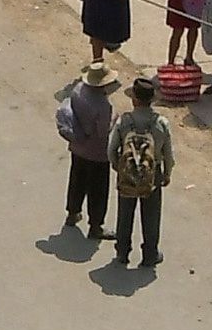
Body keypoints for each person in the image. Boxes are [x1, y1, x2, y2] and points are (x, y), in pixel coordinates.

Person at [108, 74, 175, 266]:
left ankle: (122, 252)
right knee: (151, 215)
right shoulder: (161, 123)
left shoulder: (124, 121)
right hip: (152, 173)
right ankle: (150, 254)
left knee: (125, 213)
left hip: (127, 173)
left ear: (134, 99)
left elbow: (111, 149)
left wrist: (117, 166)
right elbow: (168, 153)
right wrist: (167, 173)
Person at [55, 61, 119, 240]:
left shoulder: (78, 90)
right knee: (98, 190)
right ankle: (96, 226)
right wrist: (115, 118)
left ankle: (73, 213)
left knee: (77, 180)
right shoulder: (103, 106)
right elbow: (102, 133)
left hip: (78, 147)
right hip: (97, 153)